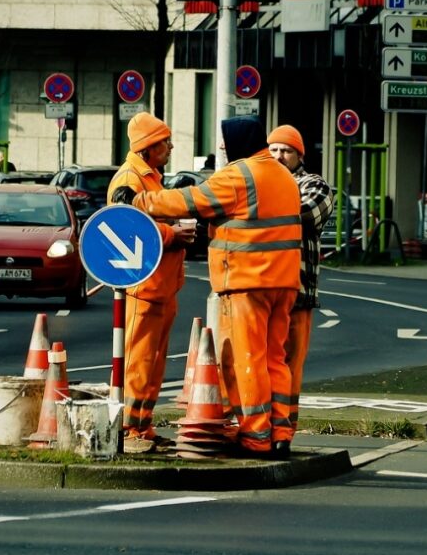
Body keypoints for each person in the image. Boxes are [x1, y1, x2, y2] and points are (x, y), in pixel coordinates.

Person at [122, 116, 302, 459]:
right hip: (285, 283)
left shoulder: (240, 175)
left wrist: (139, 201)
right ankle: (280, 432)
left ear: (238, 142)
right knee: (276, 358)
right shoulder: (283, 175)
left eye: (225, 139)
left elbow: (190, 201)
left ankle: (257, 435)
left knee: (248, 360)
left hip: (248, 282)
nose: (222, 146)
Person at [106, 112, 196, 450]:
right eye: (165, 141)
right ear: (147, 148)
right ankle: (130, 428)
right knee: (139, 361)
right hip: (145, 287)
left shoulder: (149, 178)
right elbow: (125, 226)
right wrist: (173, 233)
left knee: (153, 362)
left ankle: (141, 427)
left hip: (160, 286)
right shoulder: (129, 180)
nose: (171, 146)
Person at [267, 124, 333, 442]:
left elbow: (304, 216)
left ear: (299, 155)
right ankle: (258, 424)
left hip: (299, 292)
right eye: (274, 149)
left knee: (290, 364)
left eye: (286, 151)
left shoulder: (314, 185)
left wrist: (261, 208)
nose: (279, 156)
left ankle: (285, 428)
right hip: (263, 289)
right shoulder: (263, 182)